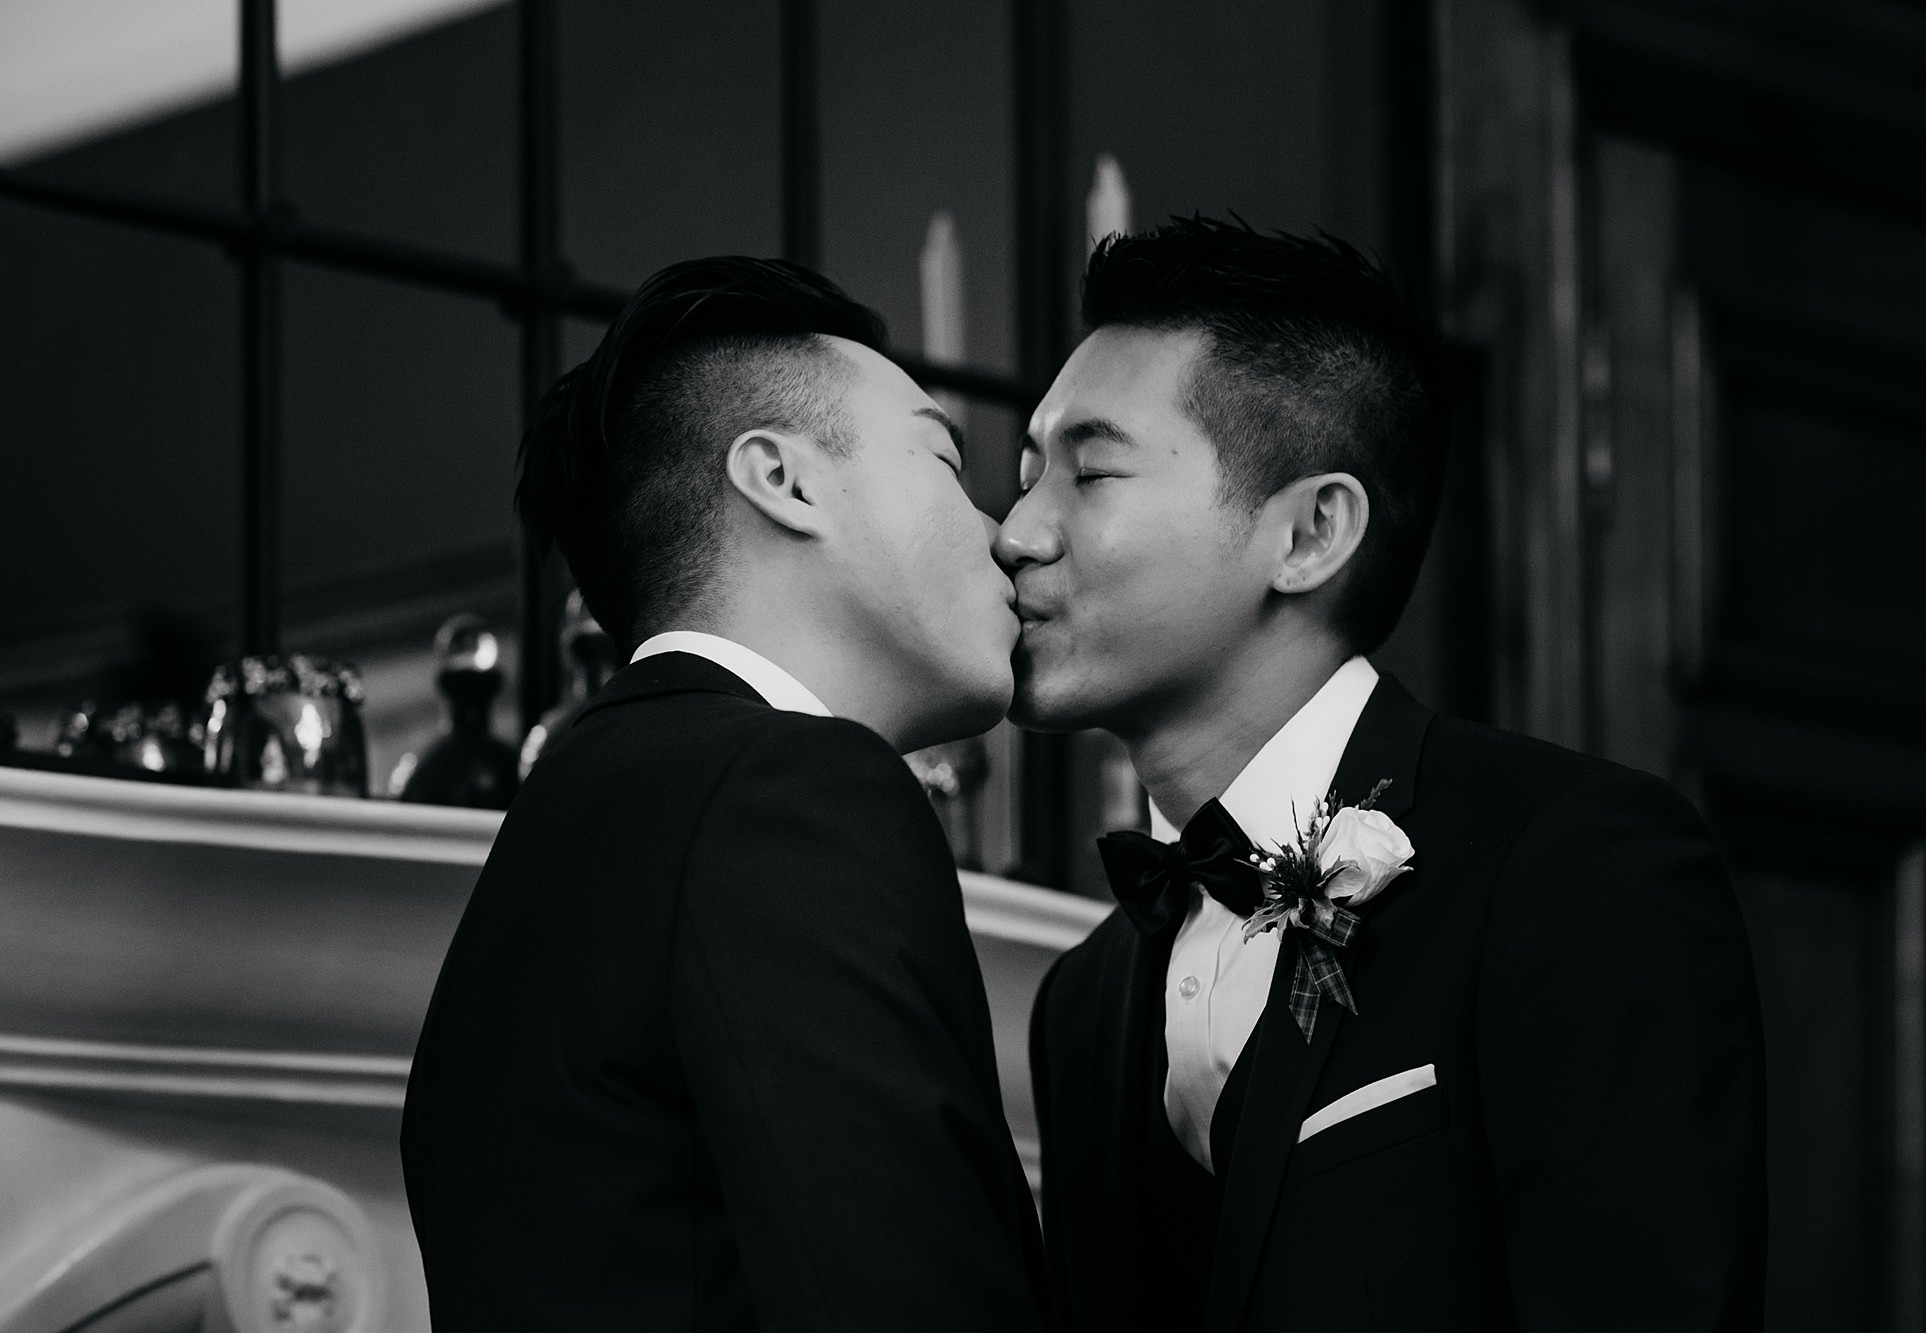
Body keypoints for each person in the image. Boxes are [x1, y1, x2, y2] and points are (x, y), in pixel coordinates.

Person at [1007, 217, 1766, 1331]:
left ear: (1311, 531)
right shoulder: (1084, 999)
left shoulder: (1570, 865)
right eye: (1025, 473)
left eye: (1090, 470)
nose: (1017, 530)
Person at [402, 256, 1049, 1331]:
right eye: (945, 460)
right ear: (781, 480)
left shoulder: (570, 824)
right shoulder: (783, 790)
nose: (1005, 535)